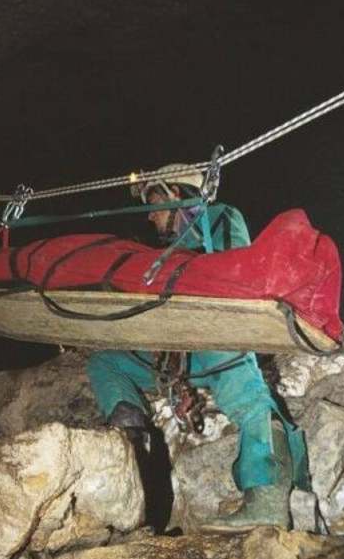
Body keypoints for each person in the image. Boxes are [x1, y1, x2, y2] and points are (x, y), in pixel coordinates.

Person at [86, 165, 307, 532]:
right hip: (181, 354)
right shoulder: (163, 252)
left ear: (176, 194)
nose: (151, 215)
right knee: (106, 364)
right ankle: (131, 448)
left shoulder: (219, 218)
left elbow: (238, 275)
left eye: (154, 203)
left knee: (248, 399)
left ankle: (267, 498)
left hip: (218, 333)